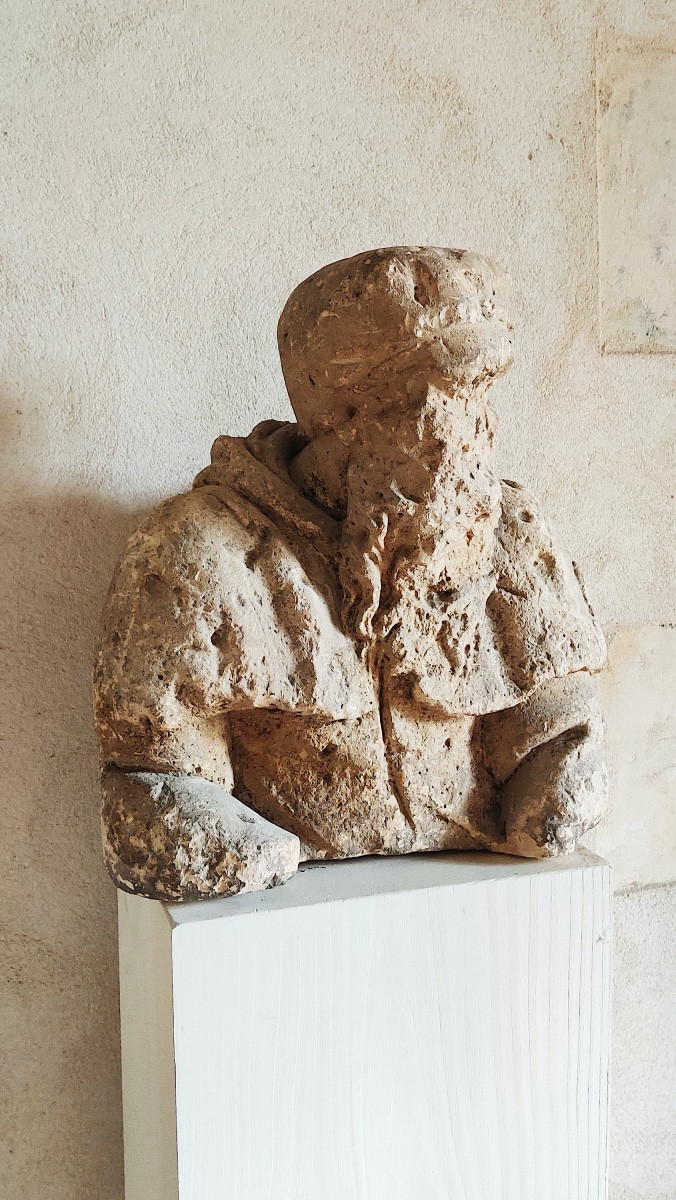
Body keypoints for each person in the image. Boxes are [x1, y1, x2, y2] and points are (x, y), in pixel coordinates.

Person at [94, 247, 607, 900]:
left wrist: (555, 784)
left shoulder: (505, 524)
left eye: (483, 395)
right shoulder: (204, 549)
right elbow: (154, 778)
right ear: (339, 423)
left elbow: (555, 725)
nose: (473, 434)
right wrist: (240, 852)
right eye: (440, 400)